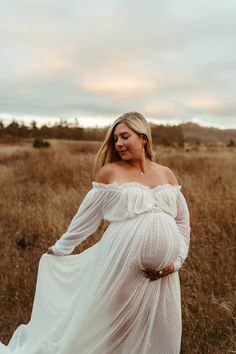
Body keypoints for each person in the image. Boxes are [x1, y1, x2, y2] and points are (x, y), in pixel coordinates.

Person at [0, 112, 191, 354]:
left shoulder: (166, 174)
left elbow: (183, 223)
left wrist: (176, 262)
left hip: (164, 276)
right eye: (115, 139)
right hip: (122, 266)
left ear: (143, 138)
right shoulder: (110, 173)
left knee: (161, 333)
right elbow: (85, 220)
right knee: (117, 329)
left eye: (125, 136)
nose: (118, 144)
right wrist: (60, 249)